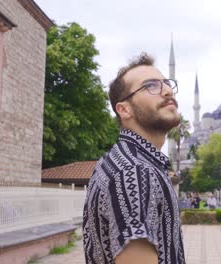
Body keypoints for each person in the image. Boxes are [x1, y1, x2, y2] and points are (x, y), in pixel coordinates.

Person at [82, 53, 185, 264]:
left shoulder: (126, 162)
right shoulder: (134, 172)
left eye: (166, 83)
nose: (166, 90)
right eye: (151, 86)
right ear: (124, 109)